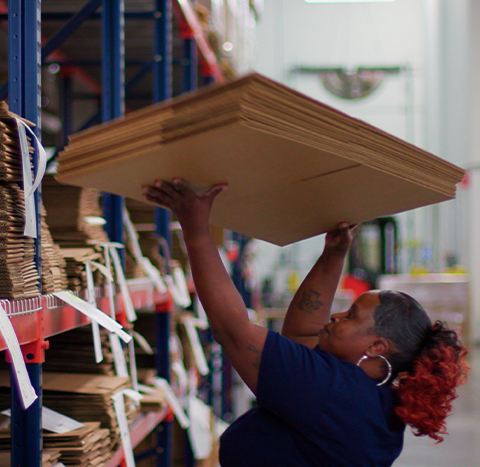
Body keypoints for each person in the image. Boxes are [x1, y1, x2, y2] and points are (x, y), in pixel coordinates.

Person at [143, 178, 468, 467]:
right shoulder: (373, 401)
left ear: (377, 346)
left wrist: (196, 229)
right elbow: (303, 332)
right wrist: (334, 254)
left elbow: (232, 331)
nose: (337, 315)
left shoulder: (334, 392)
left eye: (351, 315)